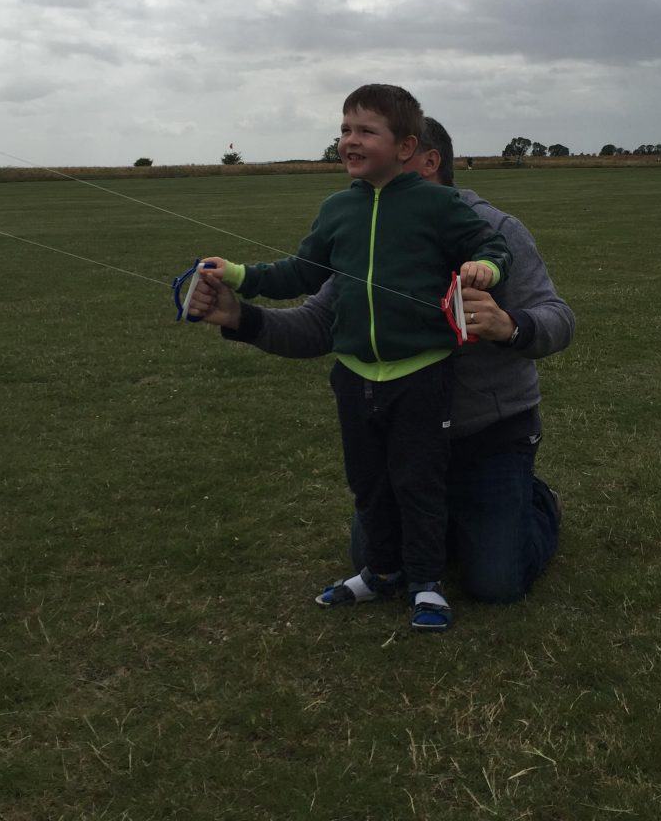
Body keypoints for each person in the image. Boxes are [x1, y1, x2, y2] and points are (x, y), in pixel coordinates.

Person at [191, 117, 576, 605]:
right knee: (371, 557)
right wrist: (241, 317)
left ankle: (536, 503)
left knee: (494, 582)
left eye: (375, 143)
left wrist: (509, 326)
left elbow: (559, 318)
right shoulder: (370, 229)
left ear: (425, 160)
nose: (355, 154)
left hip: (487, 438)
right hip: (400, 436)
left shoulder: (496, 231)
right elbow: (317, 325)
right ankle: (453, 524)